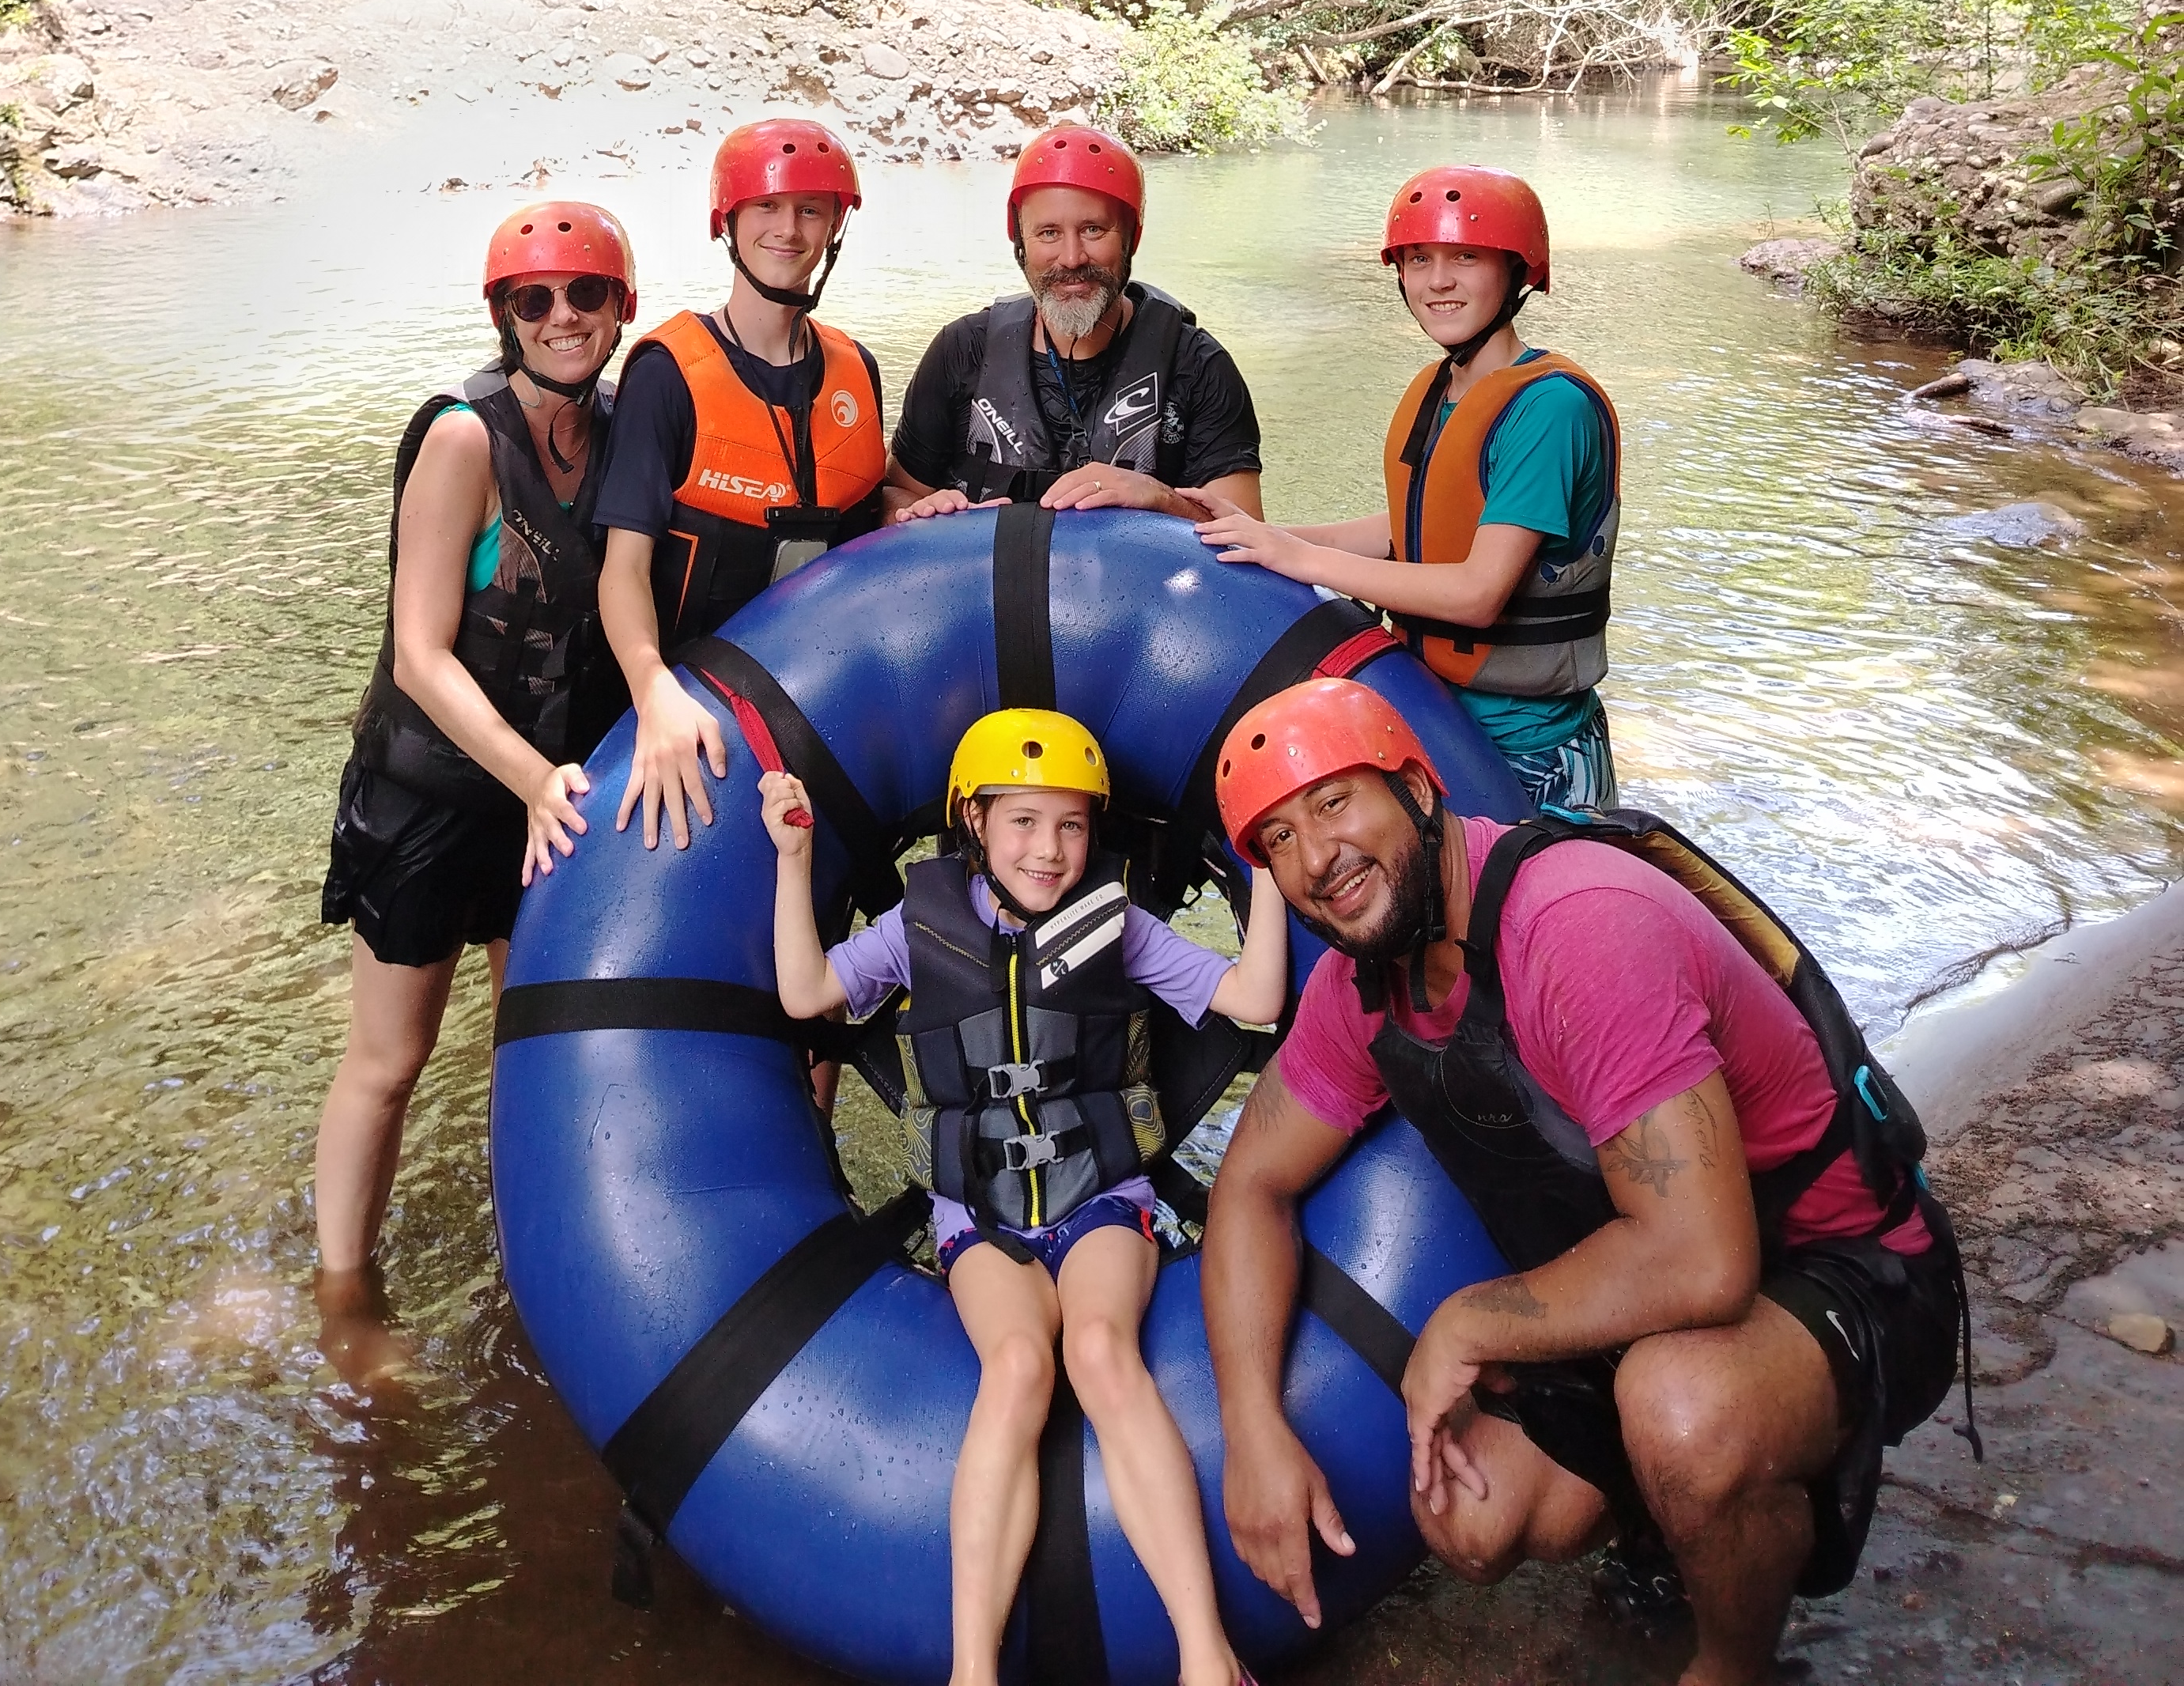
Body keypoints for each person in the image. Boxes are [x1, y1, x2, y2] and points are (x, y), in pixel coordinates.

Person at [1199, 679, 1970, 1686]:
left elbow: (1703, 1257)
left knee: (1682, 1412)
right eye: (1279, 840)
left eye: (1335, 803)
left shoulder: (1576, 925)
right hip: (1654, 1280)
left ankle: (1732, 1658)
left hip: (1850, 1267)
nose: (1317, 859)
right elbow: (1251, 1184)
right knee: (1469, 1515)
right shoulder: (1362, 986)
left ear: (1420, 790)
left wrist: (1467, 1322)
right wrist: (1252, 1428)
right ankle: (1684, 1514)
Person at [763, 709, 1287, 1686]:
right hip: (979, 1216)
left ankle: (1205, 1651)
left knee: (1097, 1348)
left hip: (1101, 1199)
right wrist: (795, 860)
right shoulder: (918, 929)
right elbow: (805, 994)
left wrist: (1255, 862)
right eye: (1024, 822)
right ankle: (975, 1667)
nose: (1049, 849)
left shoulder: (1118, 923)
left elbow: (1250, 1001)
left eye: (1072, 826)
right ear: (974, 820)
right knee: (1014, 1366)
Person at [315, 198, 634, 1349]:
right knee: (391, 1059)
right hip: (437, 797)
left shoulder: (620, 436)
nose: (562, 317)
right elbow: (421, 649)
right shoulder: (464, 440)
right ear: (502, 315)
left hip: (541, 804)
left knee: (524, 1047)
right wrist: (533, 776)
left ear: (621, 308)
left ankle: (523, 1264)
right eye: (534, 300)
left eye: (585, 295)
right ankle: (344, 1296)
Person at [1199, 163, 1619, 811]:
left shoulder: (1549, 410)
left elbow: (1479, 592)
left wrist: (1304, 561)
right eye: (1419, 259)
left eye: (1466, 257)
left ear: (1517, 271)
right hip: (1430, 710)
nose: (1438, 280)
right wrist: (1266, 538)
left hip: (1533, 748)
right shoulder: (1440, 390)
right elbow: (1406, 532)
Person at [595, 118, 886, 849]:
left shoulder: (857, 370)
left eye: (810, 210)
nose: (789, 230)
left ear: (833, 227)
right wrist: (652, 687)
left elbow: (870, 538)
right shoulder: (665, 375)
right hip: (695, 697)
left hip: (819, 697)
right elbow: (623, 569)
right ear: (729, 221)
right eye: (767, 207)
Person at [885, 122, 1264, 524]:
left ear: (1131, 238)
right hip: (983, 583)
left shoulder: (1199, 367)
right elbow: (897, 494)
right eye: (1048, 233)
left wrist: (1161, 499)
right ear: (1020, 242)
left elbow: (1247, 536)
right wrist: (918, 514)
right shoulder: (961, 350)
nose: (1071, 258)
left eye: (1093, 230)